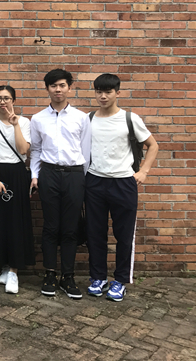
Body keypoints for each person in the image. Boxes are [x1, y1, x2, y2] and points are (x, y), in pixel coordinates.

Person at [86, 73, 159, 302]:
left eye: (108, 92)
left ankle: (120, 281)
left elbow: (153, 145)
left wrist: (144, 171)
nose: (103, 96)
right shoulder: (88, 119)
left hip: (123, 182)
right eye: (99, 91)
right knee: (95, 233)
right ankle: (98, 278)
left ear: (117, 93)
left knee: (124, 235)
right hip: (94, 181)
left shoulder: (130, 118)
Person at [30, 69, 91, 299]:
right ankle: (49, 274)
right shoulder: (38, 119)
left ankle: (68, 276)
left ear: (69, 88)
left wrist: (83, 178)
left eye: (62, 85)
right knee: (50, 226)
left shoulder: (81, 118)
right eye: (53, 86)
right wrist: (35, 175)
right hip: (49, 174)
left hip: (74, 175)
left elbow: (86, 150)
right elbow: (36, 150)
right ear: (47, 88)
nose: (58, 90)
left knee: (70, 227)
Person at [0, 85, 34, 294]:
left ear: (13, 101)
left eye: (7, 98)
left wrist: (15, 125)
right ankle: (3, 265)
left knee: (16, 221)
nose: (3, 102)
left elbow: (23, 150)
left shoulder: (24, 122)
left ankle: (14, 270)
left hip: (17, 173)